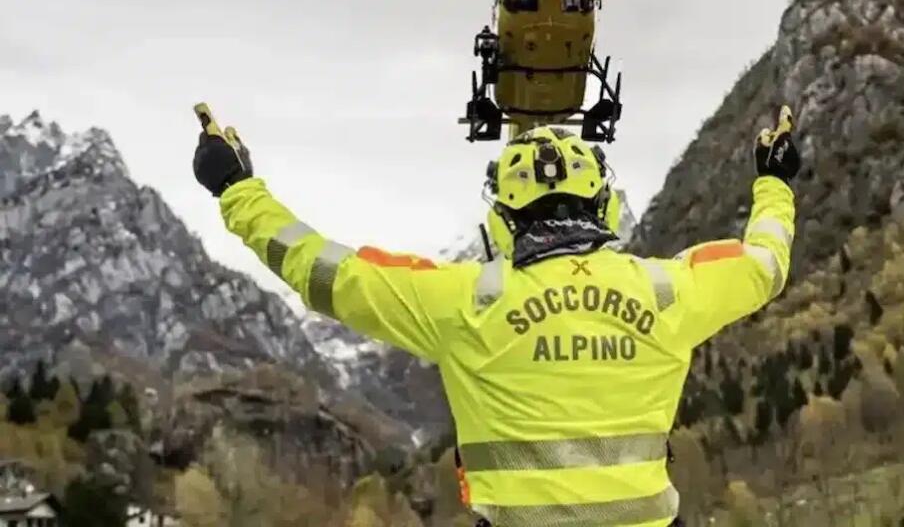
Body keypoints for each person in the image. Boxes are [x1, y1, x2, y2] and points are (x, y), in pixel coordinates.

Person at [192, 106, 800, 527]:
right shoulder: (670, 289)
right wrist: (774, 182)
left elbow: (325, 272)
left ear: (502, 219)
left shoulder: (463, 299)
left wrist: (237, 189)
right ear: (603, 205)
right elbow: (764, 263)